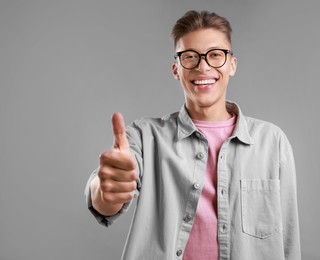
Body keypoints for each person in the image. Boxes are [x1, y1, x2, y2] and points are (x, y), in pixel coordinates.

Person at [85, 10, 301, 260]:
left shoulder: (272, 142)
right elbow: (105, 197)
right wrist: (106, 189)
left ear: (232, 65)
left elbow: (288, 240)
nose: (203, 66)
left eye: (215, 55)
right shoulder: (145, 136)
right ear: (176, 69)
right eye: (190, 57)